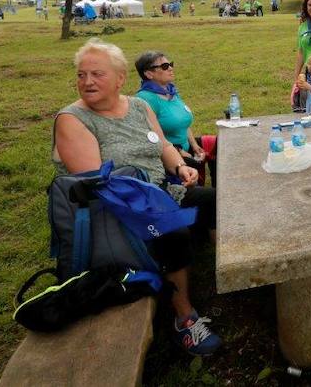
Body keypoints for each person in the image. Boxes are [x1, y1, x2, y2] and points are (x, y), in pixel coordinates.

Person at [53, 39, 222, 355]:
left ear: (119, 79)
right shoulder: (73, 120)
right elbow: (99, 188)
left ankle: (210, 260)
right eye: (81, 74)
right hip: (116, 210)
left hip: (159, 192)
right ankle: (184, 317)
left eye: (96, 74)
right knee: (174, 232)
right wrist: (159, 206)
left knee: (210, 198)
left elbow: (163, 146)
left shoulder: (140, 107)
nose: (87, 82)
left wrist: (180, 168)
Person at [135, 51, 217, 186]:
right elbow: (152, 138)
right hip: (169, 158)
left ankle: (220, 185)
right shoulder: (145, 99)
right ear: (149, 74)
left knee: (217, 144)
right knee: (192, 170)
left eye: (170, 64)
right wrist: (180, 152)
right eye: (165, 66)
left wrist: (194, 145)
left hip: (185, 146)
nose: (171, 68)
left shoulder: (170, 91)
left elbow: (183, 123)